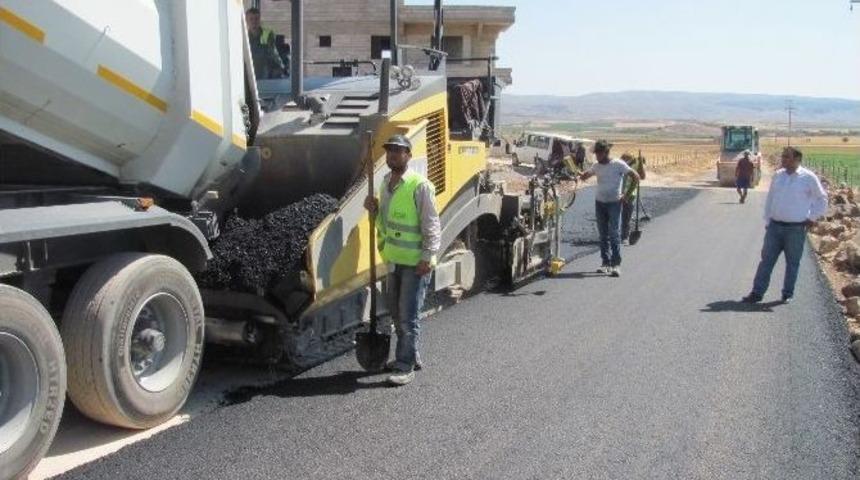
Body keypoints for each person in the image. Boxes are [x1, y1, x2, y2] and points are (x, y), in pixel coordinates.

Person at [364, 135, 441, 386]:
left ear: (409, 154)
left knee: (408, 317)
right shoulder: (385, 183)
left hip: (415, 263)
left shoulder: (420, 186)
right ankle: (412, 356)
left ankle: (405, 365)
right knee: (396, 314)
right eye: (390, 152)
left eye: (398, 151)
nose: (393, 155)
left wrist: (428, 256)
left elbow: (431, 225)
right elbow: (385, 224)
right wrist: (374, 211)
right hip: (393, 261)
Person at [742, 147, 828, 304]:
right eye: (783, 156)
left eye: (787, 157)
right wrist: (768, 220)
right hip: (775, 227)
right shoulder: (778, 176)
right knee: (766, 261)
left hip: (796, 229)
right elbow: (771, 199)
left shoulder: (808, 177)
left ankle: (787, 293)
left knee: (792, 263)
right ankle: (757, 293)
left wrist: (812, 217)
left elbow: (822, 199)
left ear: (797, 159)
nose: (783, 159)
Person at [578, 140, 641, 277]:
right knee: (603, 234)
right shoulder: (596, 166)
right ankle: (605, 263)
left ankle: (616, 265)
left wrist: (627, 194)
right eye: (595, 154)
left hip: (614, 203)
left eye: (598, 154)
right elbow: (585, 176)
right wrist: (578, 174)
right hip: (600, 203)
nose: (596, 157)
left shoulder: (618, 164)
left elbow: (636, 177)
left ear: (606, 153)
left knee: (614, 233)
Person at [245, 8, 286, 80]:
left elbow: (272, 53)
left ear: (260, 20)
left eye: (256, 19)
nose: (254, 21)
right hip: (250, 69)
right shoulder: (244, 36)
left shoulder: (268, 34)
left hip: (265, 69)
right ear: (246, 21)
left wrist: (281, 68)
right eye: (251, 19)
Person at [620, 152, 647, 242]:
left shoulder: (636, 166)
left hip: (630, 194)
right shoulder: (621, 165)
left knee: (626, 216)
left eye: (625, 161)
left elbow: (641, 177)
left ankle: (625, 236)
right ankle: (615, 234)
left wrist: (627, 195)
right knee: (616, 215)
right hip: (618, 193)